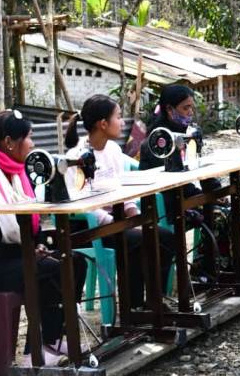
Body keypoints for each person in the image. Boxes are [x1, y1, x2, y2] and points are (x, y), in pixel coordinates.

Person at [0, 110, 87, 366]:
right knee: (49, 270)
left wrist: (38, 244)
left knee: (75, 261)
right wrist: (25, 253)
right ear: (9, 142)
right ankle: (34, 352)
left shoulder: (18, 175)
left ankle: (54, 339)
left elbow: (30, 221)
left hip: (13, 258)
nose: (33, 144)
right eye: (29, 137)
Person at [65, 94, 175, 303]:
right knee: (135, 240)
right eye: (118, 117)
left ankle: (156, 301)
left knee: (165, 237)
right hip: (89, 226)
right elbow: (81, 203)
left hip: (117, 221)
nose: (123, 122)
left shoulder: (114, 150)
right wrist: (118, 223)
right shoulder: (76, 157)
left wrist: (135, 216)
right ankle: (133, 307)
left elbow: (123, 191)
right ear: (103, 124)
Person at [140, 85, 240, 274]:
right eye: (185, 108)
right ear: (169, 109)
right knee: (218, 216)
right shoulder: (158, 142)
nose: (191, 112)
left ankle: (238, 268)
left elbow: (199, 167)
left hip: (186, 198)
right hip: (166, 205)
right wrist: (204, 196)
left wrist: (215, 192)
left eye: (191, 107)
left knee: (233, 210)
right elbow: (171, 183)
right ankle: (210, 270)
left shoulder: (187, 133)